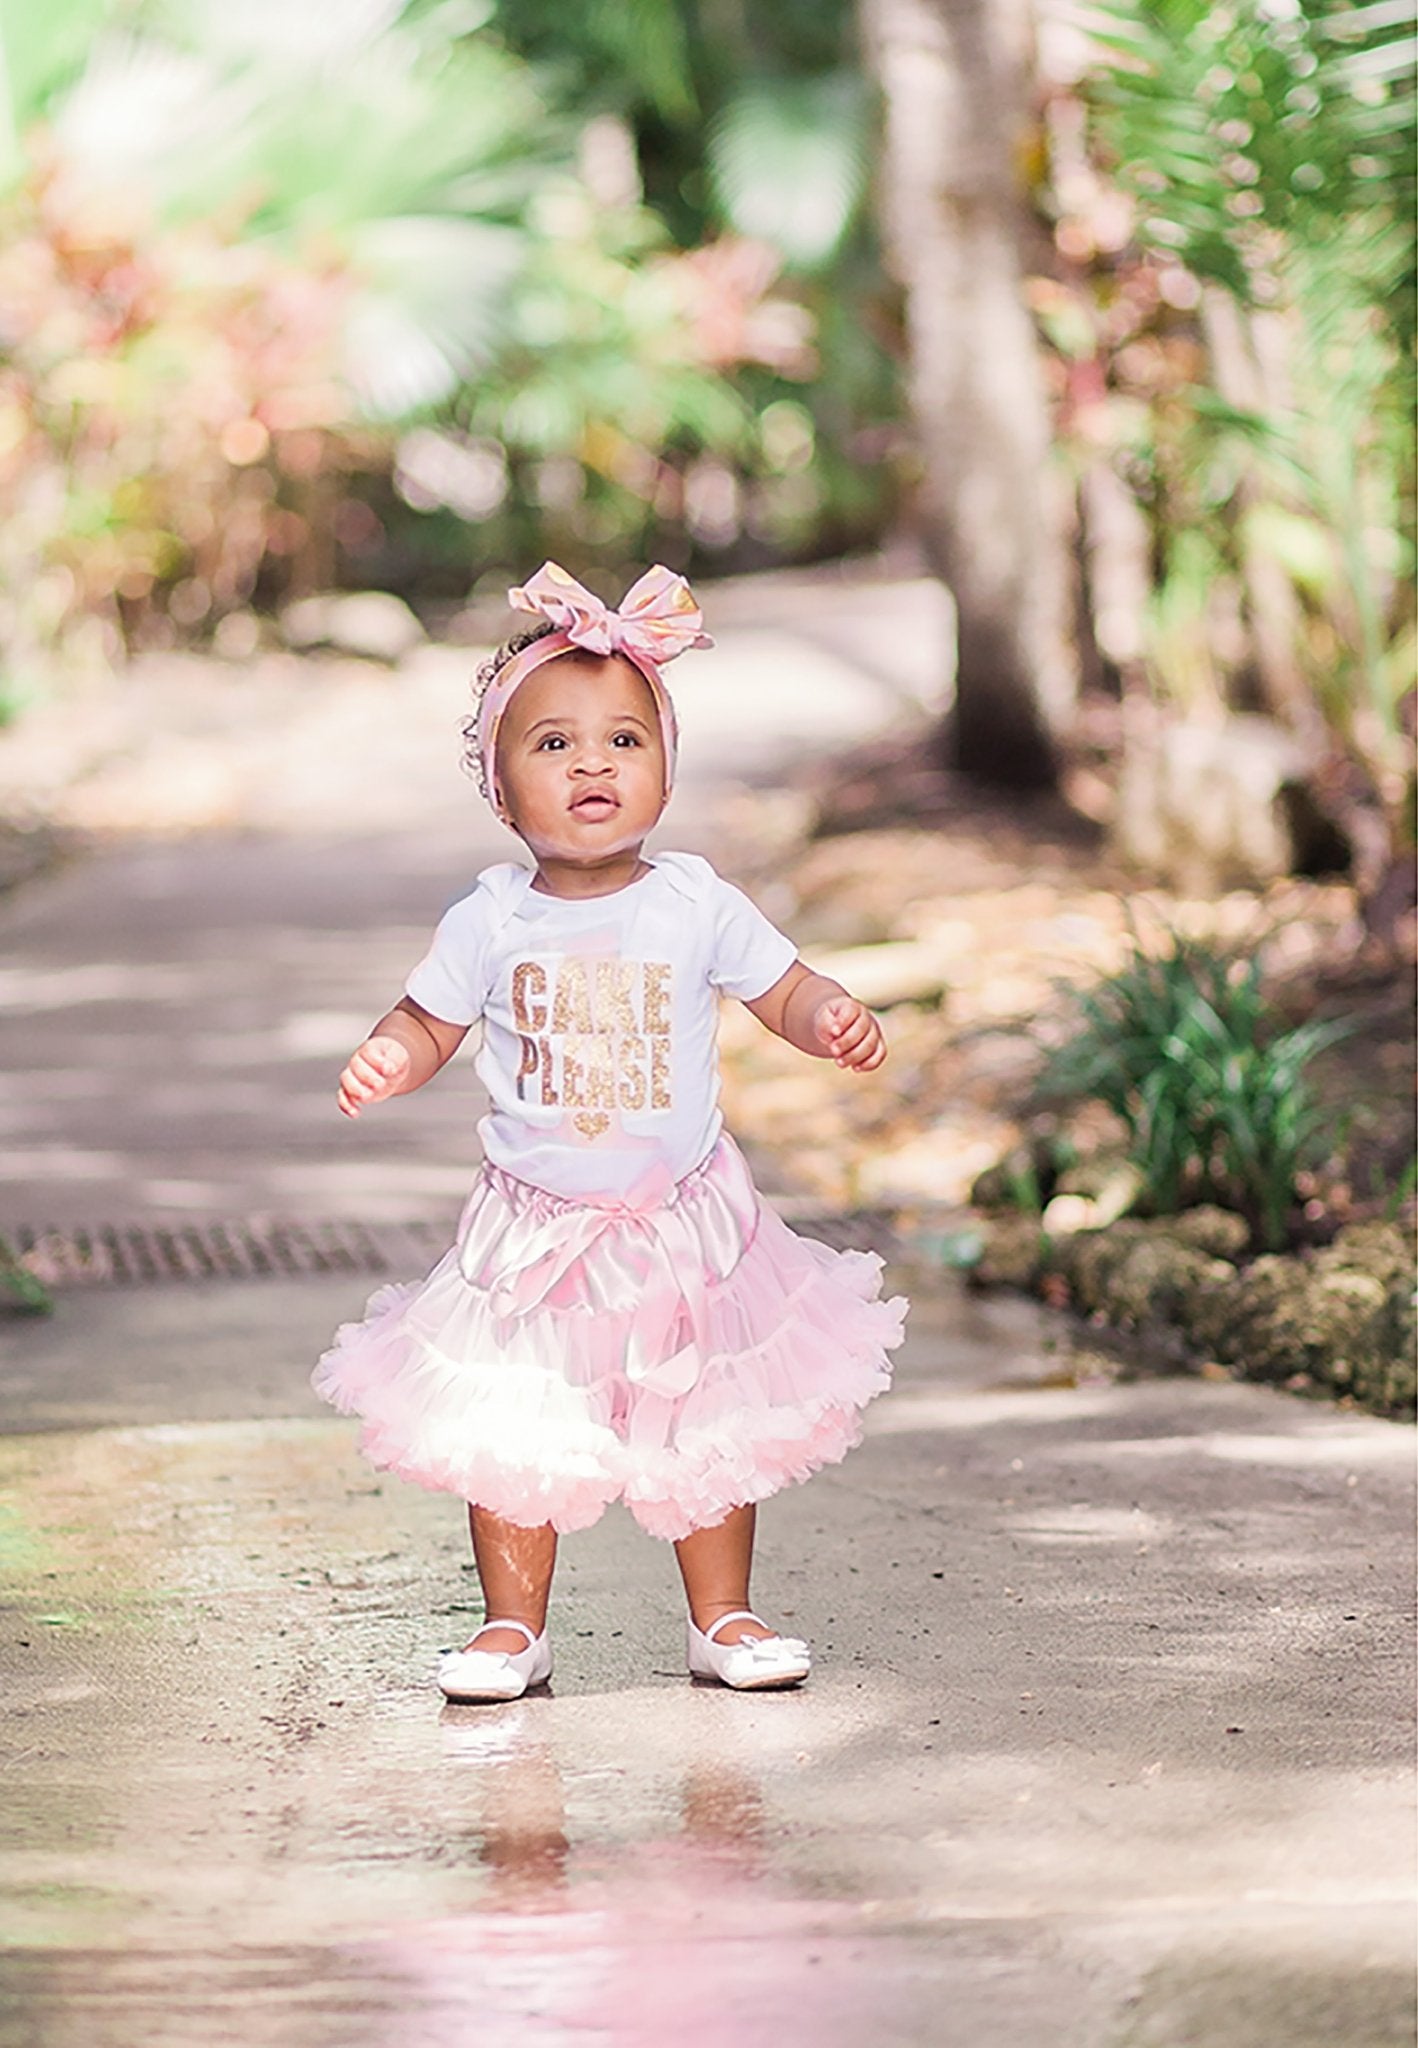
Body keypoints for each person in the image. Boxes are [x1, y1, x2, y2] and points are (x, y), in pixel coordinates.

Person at [313, 562, 907, 1703]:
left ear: (665, 769)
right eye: (552, 744)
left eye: (625, 739)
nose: (593, 761)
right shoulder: (489, 915)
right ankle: (511, 1628)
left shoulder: (693, 899)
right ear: (498, 788)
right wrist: (393, 1051)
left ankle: (720, 1612)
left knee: (712, 1416)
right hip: (532, 1237)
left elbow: (778, 985)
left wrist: (824, 1014)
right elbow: (430, 1016)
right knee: (511, 1428)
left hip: (685, 1222)